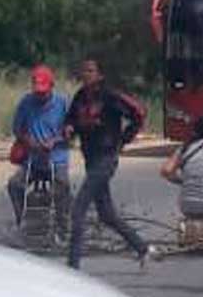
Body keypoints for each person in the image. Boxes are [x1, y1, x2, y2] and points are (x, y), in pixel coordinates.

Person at [64, 59, 151, 270]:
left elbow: (139, 112)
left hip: (106, 158)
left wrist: (124, 138)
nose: (86, 74)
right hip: (90, 158)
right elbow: (71, 121)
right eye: (84, 70)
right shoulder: (80, 97)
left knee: (79, 207)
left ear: (100, 75)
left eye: (91, 70)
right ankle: (142, 248)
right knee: (106, 214)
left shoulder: (111, 96)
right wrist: (69, 129)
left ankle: (72, 267)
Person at [7, 66, 71, 233]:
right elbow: (17, 129)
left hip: (56, 159)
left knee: (62, 186)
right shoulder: (26, 102)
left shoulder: (63, 103)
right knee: (14, 185)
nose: (40, 95)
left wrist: (55, 141)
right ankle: (22, 221)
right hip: (32, 159)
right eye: (37, 91)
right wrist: (30, 142)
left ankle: (62, 227)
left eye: (43, 91)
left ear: (52, 86)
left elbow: (71, 131)